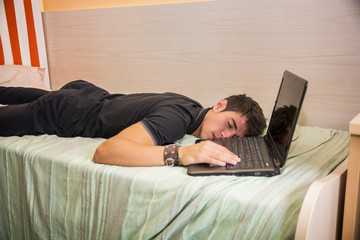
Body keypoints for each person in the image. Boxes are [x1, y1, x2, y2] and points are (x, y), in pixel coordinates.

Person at [0, 80, 266, 167]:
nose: (223, 135)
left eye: (233, 136)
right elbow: (105, 152)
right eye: (229, 124)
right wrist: (182, 153)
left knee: (8, 93)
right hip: (66, 111)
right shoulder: (175, 121)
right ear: (219, 105)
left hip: (84, 93)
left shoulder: (191, 106)